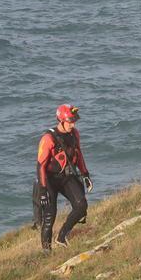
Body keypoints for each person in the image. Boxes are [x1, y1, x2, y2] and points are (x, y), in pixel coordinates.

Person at [35, 103, 92, 251]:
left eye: (74, 122)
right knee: (50, 216)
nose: (73, 125)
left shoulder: (75, 134)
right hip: (49, 180)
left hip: (66, 177)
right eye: (70, 122)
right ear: (61, 121)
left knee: (81, 206)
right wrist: (42, 190)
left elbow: (79, 154)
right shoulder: (48, 138)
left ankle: (62, 237)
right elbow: (40, 166)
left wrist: (85, 174)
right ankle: (46, 252)